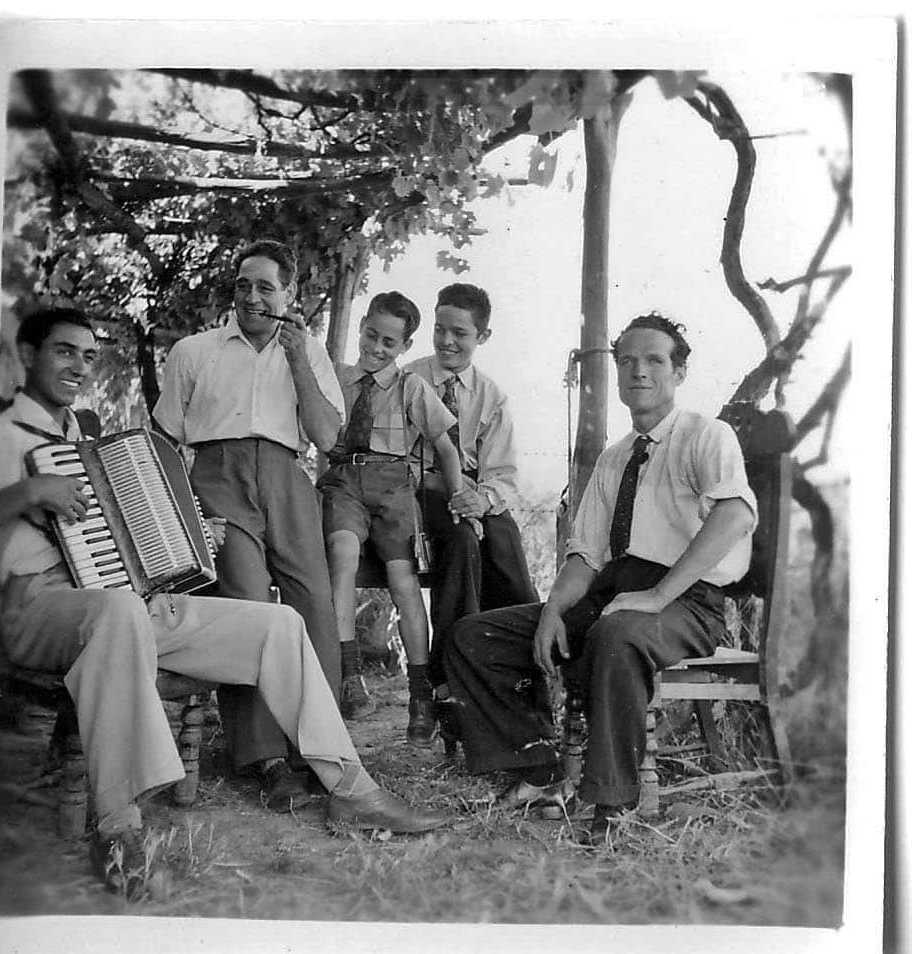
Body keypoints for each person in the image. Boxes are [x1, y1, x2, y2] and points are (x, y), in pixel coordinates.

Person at [0, 307, 448, 895]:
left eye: (87, 355)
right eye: (64, 352)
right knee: (120, 611)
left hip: (122, 604)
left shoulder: (81, 436)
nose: (79, 366)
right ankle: (120, 826)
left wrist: (189, 534)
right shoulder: (0, 434)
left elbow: (125, 535)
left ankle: (350, 789)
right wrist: (27, 491)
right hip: (33, 608)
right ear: (28, 356)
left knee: (278, 623)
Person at [442, 313, 757, 843]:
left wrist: (657, 596)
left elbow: (735, 517)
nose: (638, 371)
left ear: (679, 371)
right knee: (474, 636)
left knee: (617, 634)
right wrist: (552, 612)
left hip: (688, 600)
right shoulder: (615, 459)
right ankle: (536, 770)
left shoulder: (707, 435)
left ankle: (613, 804)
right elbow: (585, 555)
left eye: (654, 360)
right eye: (627, 361)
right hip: (618, 590)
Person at [152, 240, 344, 813]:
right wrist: (185, 508)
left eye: (266, 287)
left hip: (287, 476)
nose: (252, 297)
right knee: (249, 605)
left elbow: (328, 438)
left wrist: (299, 361)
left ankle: (319, 752)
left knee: (313, 603)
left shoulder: (307, 350)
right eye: (243, 285)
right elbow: (164, 437)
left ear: (290, 296)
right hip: (217, 479)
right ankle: (262, 759)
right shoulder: (195, 351)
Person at [317, 291, 479, 745]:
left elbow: (446, 447)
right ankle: (349, 676)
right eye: (371, 335)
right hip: (345, 481)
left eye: (389, 342)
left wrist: (458, 495)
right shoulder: (337, 380)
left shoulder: (412, 387)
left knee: (403, 581)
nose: (376, 348)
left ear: (405, 346)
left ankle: (420, 695)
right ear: (361, 327)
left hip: (393, 488)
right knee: (342, 553)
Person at [404, 283, 539, 704]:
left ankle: (526, 670)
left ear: (483, 337)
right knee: (461, 540)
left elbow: (503, 473)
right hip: (418, 493)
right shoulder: (408, 379)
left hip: (467, 495)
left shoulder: (490, 396)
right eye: (440, 329)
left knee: (506, 545)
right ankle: (448, 678)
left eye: (460, 333)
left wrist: (479, 500)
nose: (447, 341)